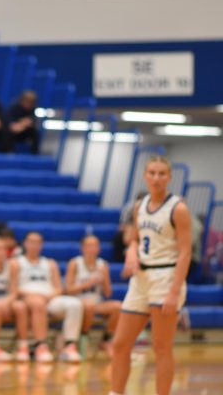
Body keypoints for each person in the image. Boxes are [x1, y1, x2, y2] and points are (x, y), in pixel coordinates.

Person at [110, 156, 192, 395]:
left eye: (161, 174)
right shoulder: (139, 206)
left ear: (169, 177)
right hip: (141, 280)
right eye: (152, 173)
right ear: (145, 175)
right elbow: (134, 238)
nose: (156, 178)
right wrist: (131, 253)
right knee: (120, 343)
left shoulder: (178, 209)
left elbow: (186, 252)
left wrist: (174, 291)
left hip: (166, 278)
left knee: (161, 347)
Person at [17, 231, 83, 363]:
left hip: (49, 297)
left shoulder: (50, 263)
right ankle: (41, 345)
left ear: (41, 245)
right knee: (37, 303)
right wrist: (34, 295)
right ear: (25, 243)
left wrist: (50, 295)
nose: (34, 245)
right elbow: (14, 288)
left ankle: (69, 345)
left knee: (75, 303)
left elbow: (59, 288)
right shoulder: (16, 263)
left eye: (38, 242)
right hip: (28, 296)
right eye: (31, 242)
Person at [65, 235, 121, 357]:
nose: (92, 248)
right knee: (88, 306)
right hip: (77, 301)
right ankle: (84, 337)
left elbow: (108, 293)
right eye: (89, 245)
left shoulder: (102, 265)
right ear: (83, 248)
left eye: (95, 245)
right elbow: (68, 290)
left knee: (118, 307)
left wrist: (105, 278)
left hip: (96, 301)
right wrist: (87, 284)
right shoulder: (75, 263)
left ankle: (106, 339)